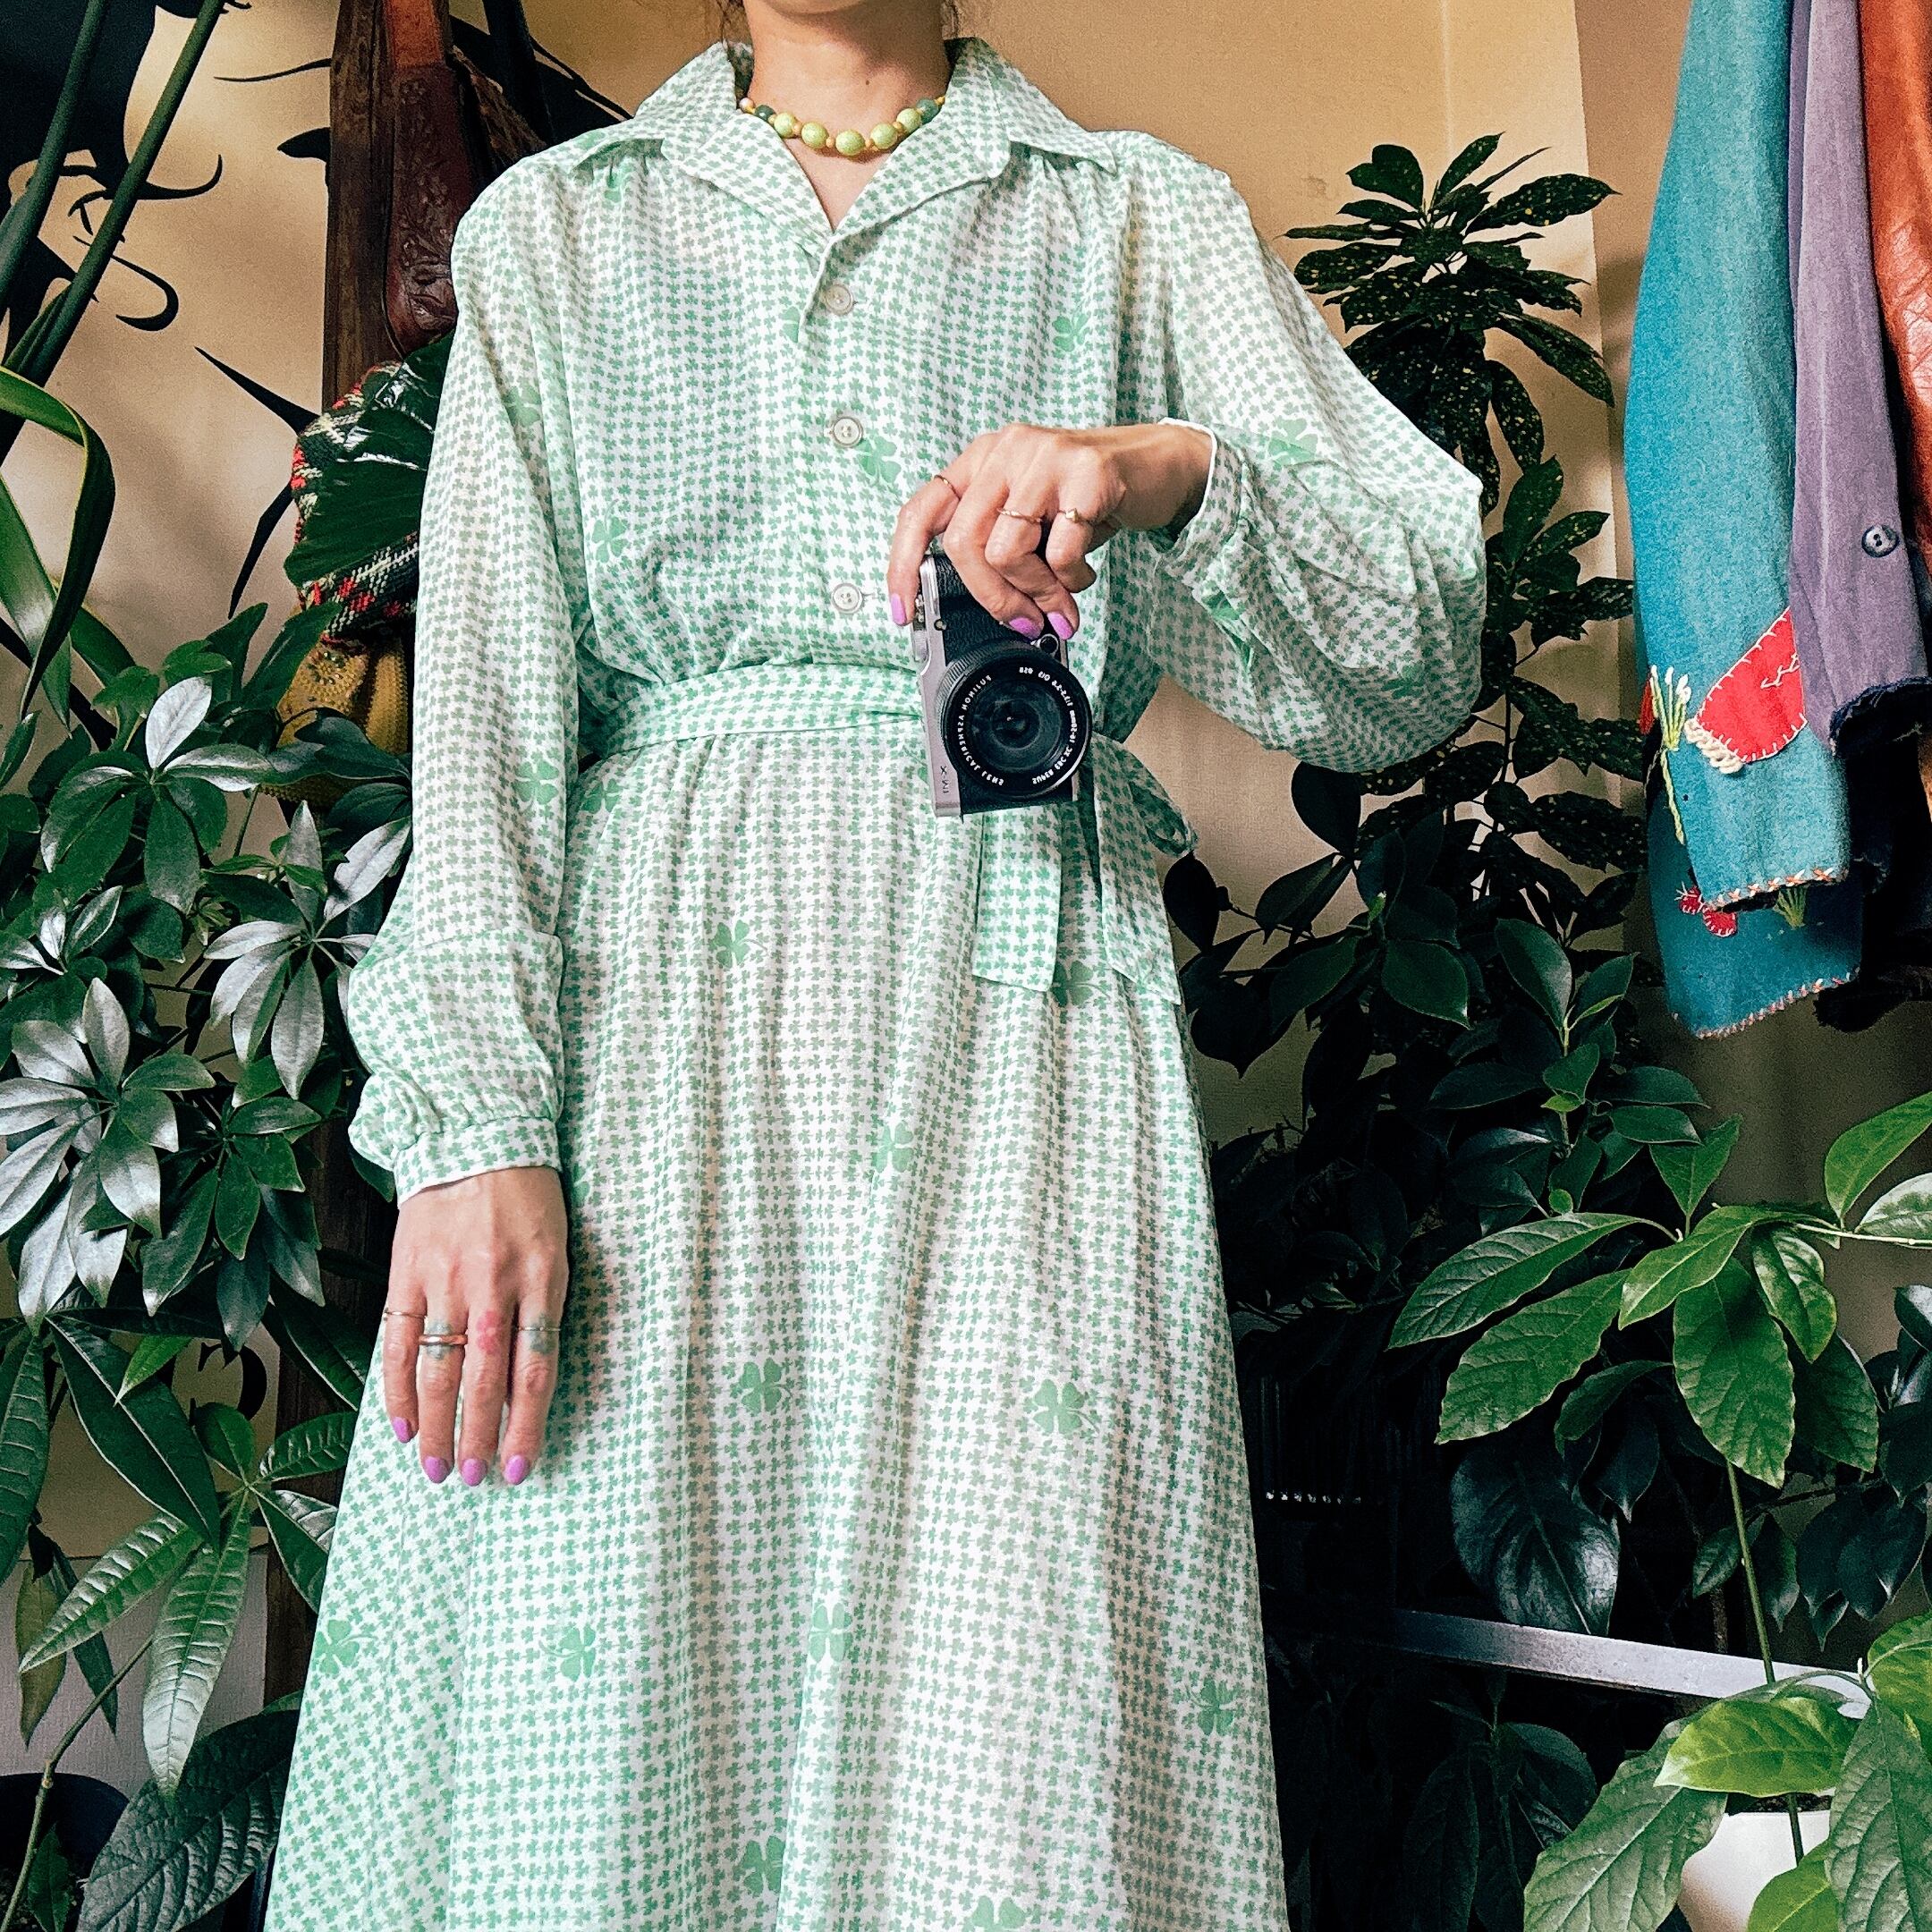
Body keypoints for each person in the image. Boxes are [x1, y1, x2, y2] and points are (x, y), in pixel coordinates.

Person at [263, 1, 1486, 1926]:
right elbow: (488, 717)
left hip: (1020, 1055)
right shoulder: (562, 232)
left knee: (1015, 1729)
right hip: (651, 1068)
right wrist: (477, 1126)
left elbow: (1412, 661)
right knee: (610, 1709)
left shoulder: (1140, 221)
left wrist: (1167, 467)